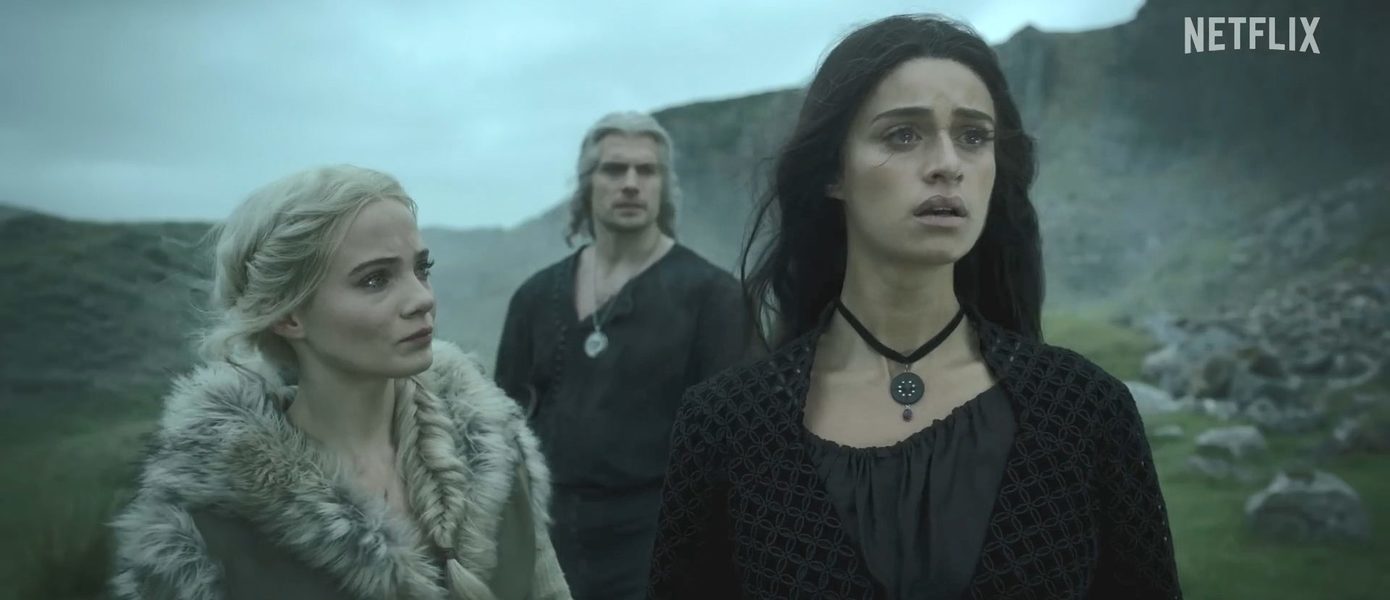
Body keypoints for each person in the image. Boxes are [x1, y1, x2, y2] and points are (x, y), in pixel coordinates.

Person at [648, 14, 1181, 600]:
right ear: (833, 172)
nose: (948, 164)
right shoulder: (724, 424)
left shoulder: (1084, 409)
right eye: (903, 135)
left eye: (973, 137)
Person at [110, 165, 571, 600]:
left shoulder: (490, 447)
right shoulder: (211, 520)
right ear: (288, 315)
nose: (421, 298)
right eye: (375, 280)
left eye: (421, 269)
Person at [493, 111, 752, 599]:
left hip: (659, 548)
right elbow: (501, 428)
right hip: (549, 544)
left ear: (664, 186)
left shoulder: (714, 298)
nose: (631, 183)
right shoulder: (535, 297)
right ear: (587, 184)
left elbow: (735, 450)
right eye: (614, 169)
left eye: (646, 170)